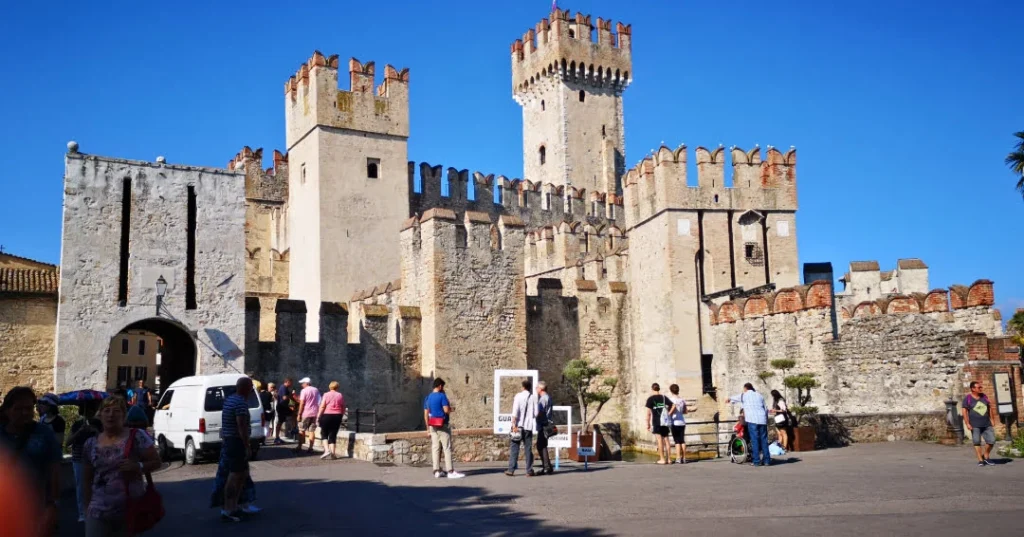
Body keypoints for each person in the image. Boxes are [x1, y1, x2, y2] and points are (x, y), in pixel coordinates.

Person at [82, 395, 161, 537]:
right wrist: (87, 507)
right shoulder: (90, 443)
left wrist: (138, 466)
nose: (111, 415)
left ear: (124, 415)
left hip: (129, 509)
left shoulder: (137, 436)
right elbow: (86, 479)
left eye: (116, 411)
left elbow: (156, 462)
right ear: (100, 415)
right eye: (106, 410)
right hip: (98, 510)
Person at [0, 387, 62, 537]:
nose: (25, 413)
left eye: (29, 408)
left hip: (36, 507)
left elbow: (54, 468)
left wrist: (53, 504)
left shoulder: (43, 433)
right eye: (19, 409)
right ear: (8, 410)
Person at [218, 377, 255, 522]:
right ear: (245, 388)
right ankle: (228, 508)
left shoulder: (230, 400)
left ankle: (235, 506)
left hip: (230, 440)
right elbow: (242, 426)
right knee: (234, 475)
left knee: (242, 474)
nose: (252, 389)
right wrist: (247, 445)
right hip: (236, 442)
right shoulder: (240, 403)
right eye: (251, 386)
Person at [67, 402, 102, 523]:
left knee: (97, 485)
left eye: (92, 411)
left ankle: (95, 509)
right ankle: (82, 512)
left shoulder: (98, 424)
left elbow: (104, 439)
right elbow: (68, 442)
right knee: (81, 486)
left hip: (95, 458)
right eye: (87, 411)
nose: (90, 414)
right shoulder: (77, 424)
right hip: (79, 458)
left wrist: (95, 431)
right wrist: (79, 431)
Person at [423, 378, 464, 479]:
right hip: (442, 425)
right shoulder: (442, 396)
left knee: (435, 448)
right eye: (443, 386)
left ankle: (436, 470)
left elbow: (426, 414)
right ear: (440, 386)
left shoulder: (428, 397)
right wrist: (451, 409)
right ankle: (450, 471)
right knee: (446, 448)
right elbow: (446, 410)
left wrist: (427, 428)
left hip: (432, 425)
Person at [729, 383, 770, 467]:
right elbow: (765, 409)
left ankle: (756, 461)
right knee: (764, 440)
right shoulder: (760, 395)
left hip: (752, 419)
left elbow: (735, 398)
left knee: (754, 440)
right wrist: (766, 419)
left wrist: (728, 399)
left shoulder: (744, 395)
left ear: (745, 388)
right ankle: (767, 461)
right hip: (762, 419)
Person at [506, 379, 538, 477]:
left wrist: (514, 425)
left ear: (523, 387)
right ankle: (529, 470)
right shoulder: (533, 397)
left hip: (518, 426)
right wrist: (530, 417)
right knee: (528, 449)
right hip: (528, 427)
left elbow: (515, 412)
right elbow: (536, 413)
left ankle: (511, 469)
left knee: (514, 448)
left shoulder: (518, 396)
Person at [962, 381, 996, 467]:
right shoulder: (968, 398)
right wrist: (967, 423)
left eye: (981, 387)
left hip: (986, 424)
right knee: (977, 442)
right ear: (973, 389)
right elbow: (964, 411)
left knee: (991, 440)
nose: (981, 389)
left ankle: (986, 455)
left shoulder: (984, 397)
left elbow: (989, 408)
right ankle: (980, 460)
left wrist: (992, 419)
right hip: (975, 425)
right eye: (979, 387)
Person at [666, 384, 695, 464]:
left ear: (671, 391)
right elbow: (685, 411)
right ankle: (684, 457)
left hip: (674, 422)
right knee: (682, 440)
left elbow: (671, 409)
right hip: (682, 422)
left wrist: (668, 414)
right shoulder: (682, 400)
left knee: (677, 441)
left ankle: (678, 457)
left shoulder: (671, 400)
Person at [317, 381, 346, 460]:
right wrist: (341, 414)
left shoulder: (326, 394)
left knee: (324, 433)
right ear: (337, 387)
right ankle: (333, 453)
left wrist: (318, 415)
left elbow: (322, 406)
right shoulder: (340, 395)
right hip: (337, 416)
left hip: (327, 415)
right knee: (333, 433)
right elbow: (343, 406)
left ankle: (326, 450)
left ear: (330, 387)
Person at [645, 383, 672, 464]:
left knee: (659, 440)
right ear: (659, 388)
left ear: (652, 389)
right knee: (667, 440)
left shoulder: (650, 399)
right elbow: (672, 405)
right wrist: (669, 413)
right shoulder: (664, 397)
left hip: (656, 421)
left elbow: (648, 413)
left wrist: (648, 424)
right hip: (665, 421)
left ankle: (662, 459)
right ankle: (669, 459)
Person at [295, 378, 321, 454]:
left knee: (301, 429)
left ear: (307, 383)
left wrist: (299, 414)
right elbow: (319, 401)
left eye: (303, 383)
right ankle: (310, 447)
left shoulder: (304, 391)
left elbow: (302, 403)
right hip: (314, 412)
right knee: (311, 431)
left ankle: (299, 446)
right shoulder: (316, 390)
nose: (301, 385)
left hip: (306, 413)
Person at [534, 381, 554, 475]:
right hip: (546, 424)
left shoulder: (543, 399)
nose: (535, 389)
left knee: (541, 446)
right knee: (542, 445)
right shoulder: (548, 397)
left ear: (540, 389)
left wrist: (534, 416)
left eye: (537, 387)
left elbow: (540, 412)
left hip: (543, 424)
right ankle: (547, 466)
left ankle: (546, 467)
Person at [274, 378, 296, 444]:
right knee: (280, 422)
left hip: (284, 406)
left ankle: (293, 429)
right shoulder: (283, 387)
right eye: (291, 383)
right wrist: (291, 395)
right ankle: (277, 437)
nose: (291, 384)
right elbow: (284, 397)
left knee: (293, 414)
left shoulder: (284, 388)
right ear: (287, 382)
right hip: (282, 407)